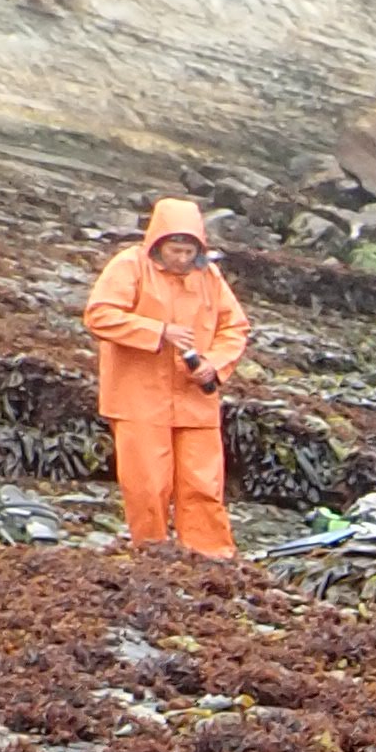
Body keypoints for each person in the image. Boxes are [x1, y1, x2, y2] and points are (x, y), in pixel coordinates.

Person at [83, 197, 250, 555]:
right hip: (138, 398)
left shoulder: (209, 275)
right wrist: (160, 331)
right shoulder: (129, 265)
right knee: (147, 484)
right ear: (158, 243)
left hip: (195, 397)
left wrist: (216, 365)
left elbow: (234, 327)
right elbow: (99, 315)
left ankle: (212, 557)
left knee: (203, 483)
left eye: (190, 250)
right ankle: (153, 553)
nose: (183, 258)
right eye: (176, 249)